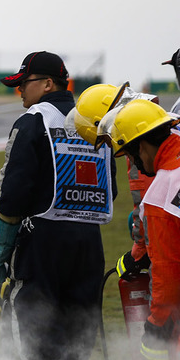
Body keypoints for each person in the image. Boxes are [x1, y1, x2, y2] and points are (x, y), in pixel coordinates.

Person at [0, 51, 114, 360]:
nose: (20, 93)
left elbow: (13, 193)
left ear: (47, 84)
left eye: (23, 85)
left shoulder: (33, 120)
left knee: (30, 319)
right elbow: (112, 187)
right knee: (79, 323)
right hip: (90, 242)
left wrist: (4, 242)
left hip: (44, 238)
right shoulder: (95, 119)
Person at [108, 99, 180, 360]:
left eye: (131, 155)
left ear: (140, 147)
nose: (135, 163)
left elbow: (168, 269)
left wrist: (156, 323)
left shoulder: (163, 189)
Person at [67, 83, 153, 280]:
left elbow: (146, 206)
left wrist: (136, 255)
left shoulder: (142, 145)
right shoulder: (157, 119)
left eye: (105, 139)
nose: (109, 144)